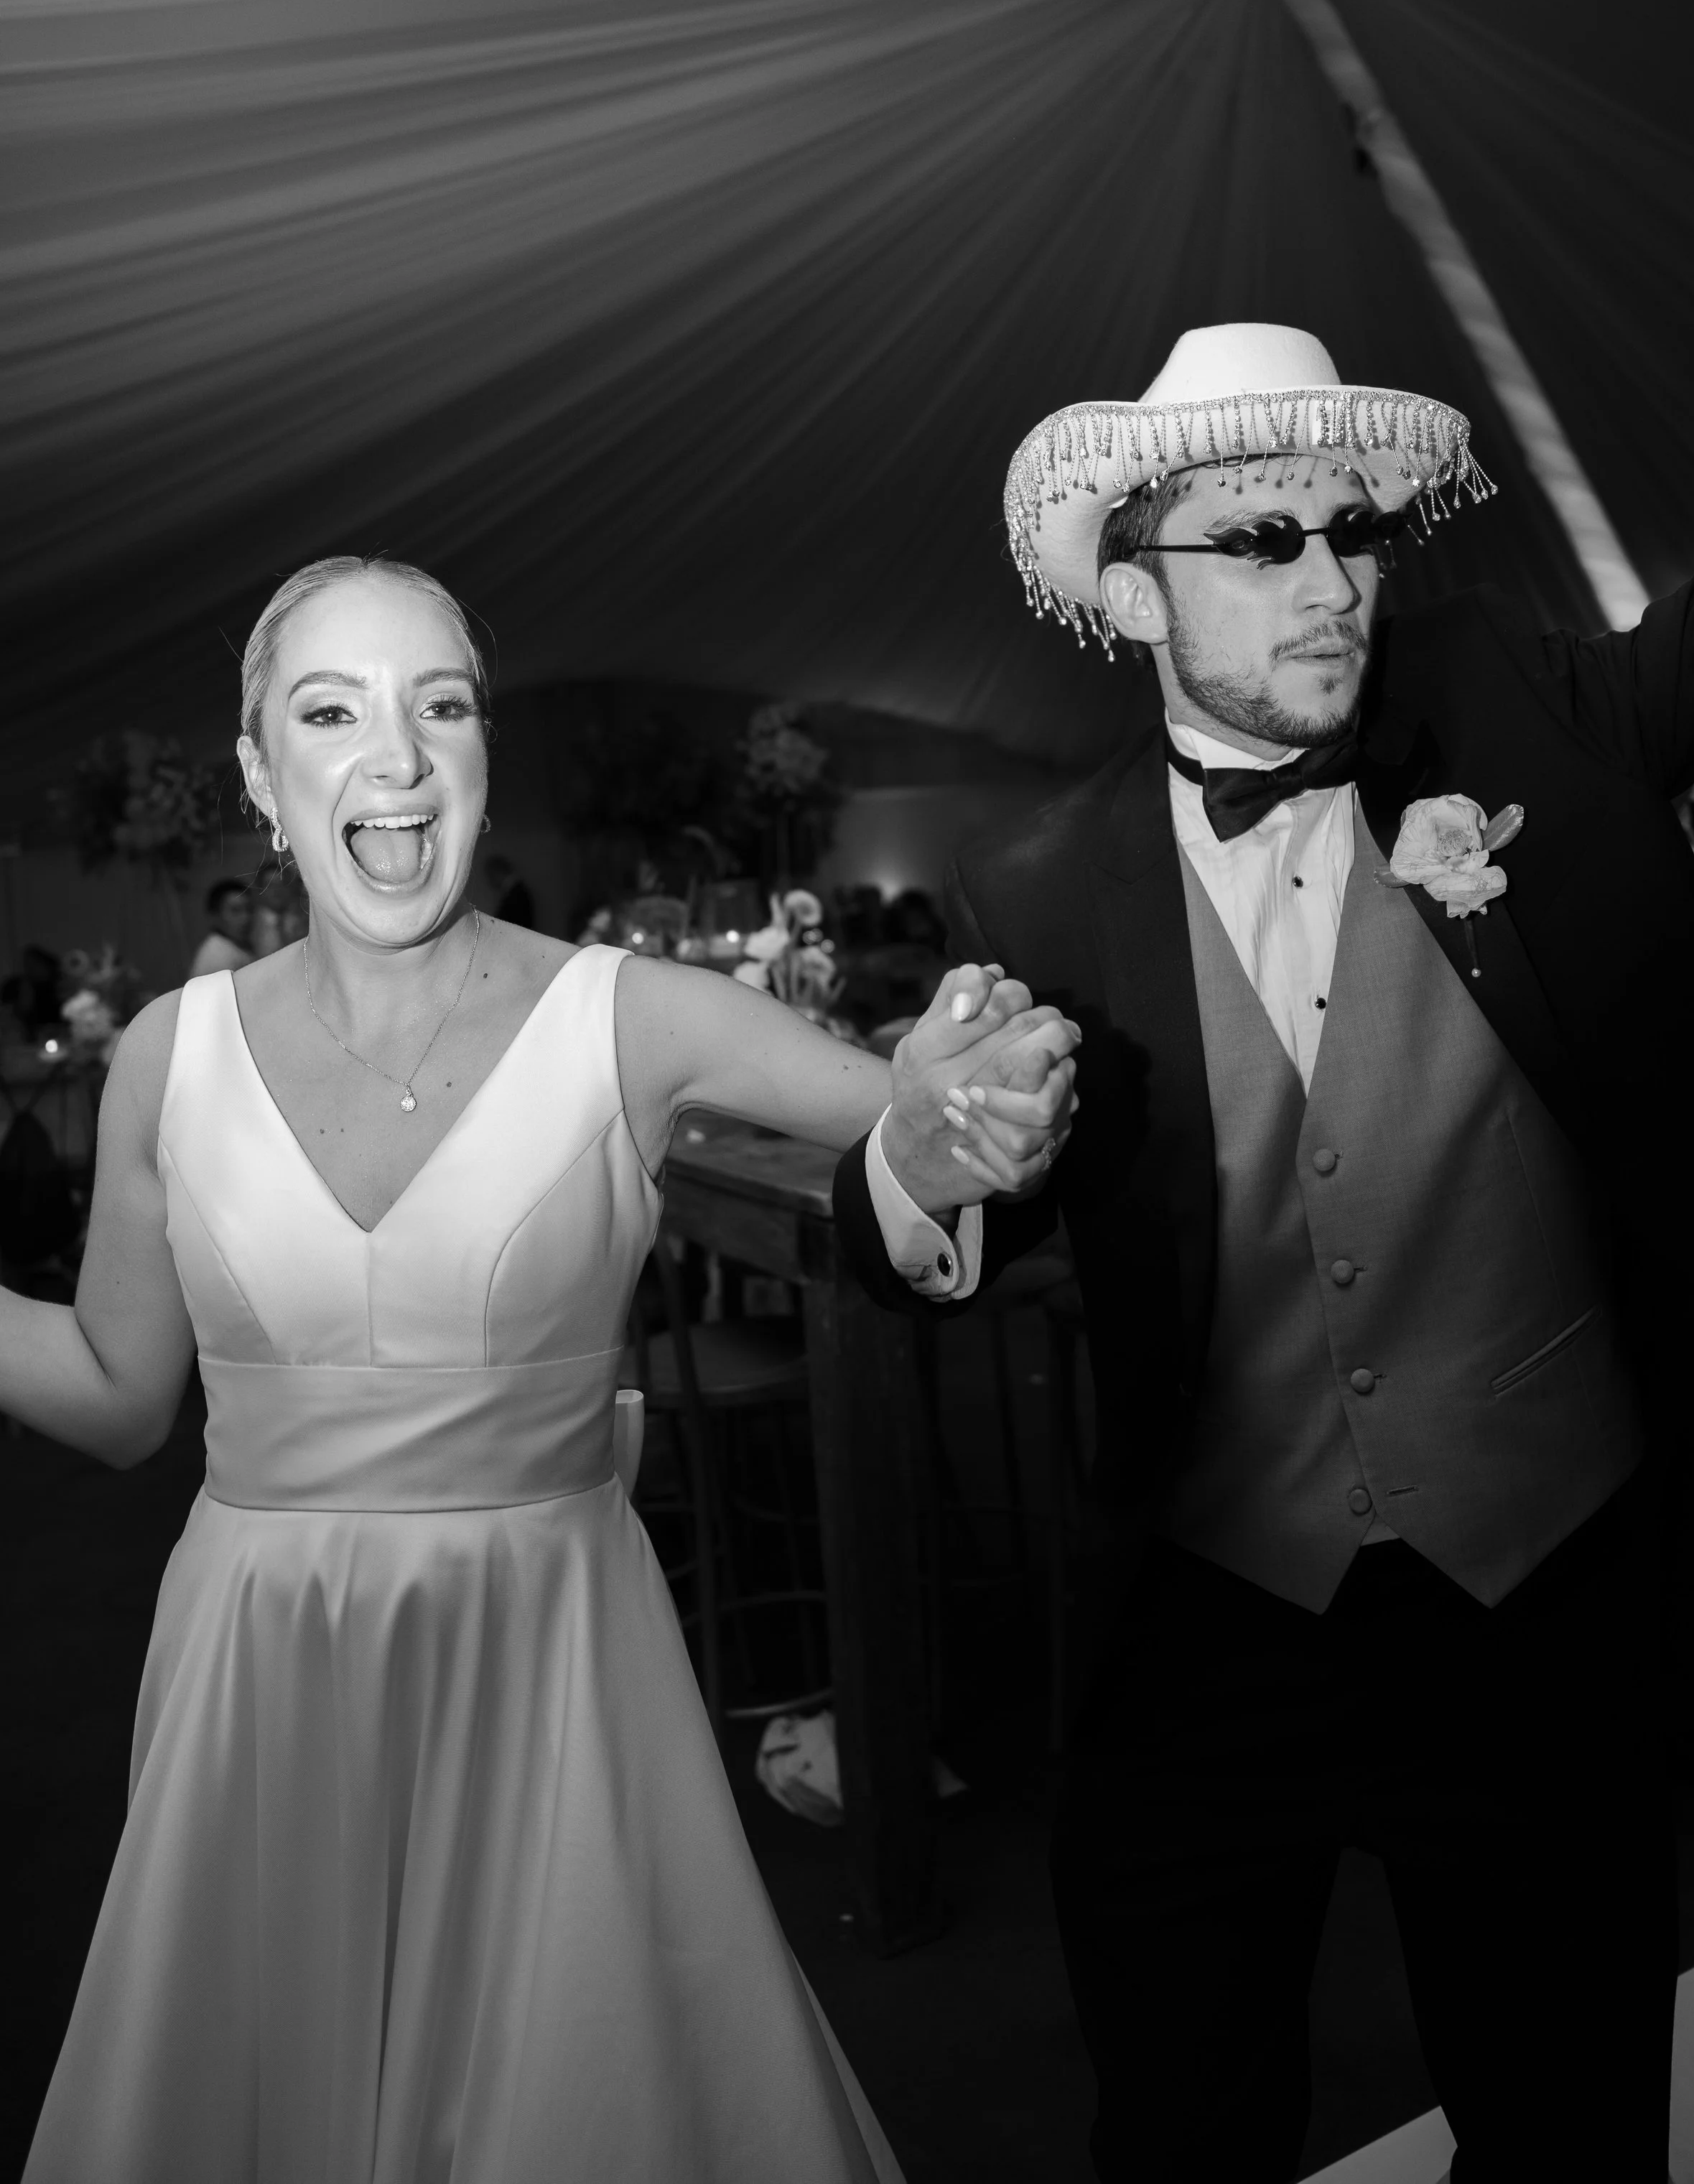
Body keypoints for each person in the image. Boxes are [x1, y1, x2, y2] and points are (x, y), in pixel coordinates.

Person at [834, 322, 1694, 2181]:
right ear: (1131, 589)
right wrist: (912, 1156)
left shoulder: (1512, 703)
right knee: (1185, 2127)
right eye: (1255, 541)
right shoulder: (1038, 881)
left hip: (1539, 1597)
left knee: (1572, 2127)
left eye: (1349, 533)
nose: (1330, 581)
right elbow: (924, 1225)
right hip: (1210, 1624)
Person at [2, 552, 1074, 2184]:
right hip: (258, 1670)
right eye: (333, 707)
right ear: (256, 772)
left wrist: (958, 1090)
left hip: (550, 1657)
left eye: (441, 703)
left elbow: (904, 1117)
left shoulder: (627, 1015)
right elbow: (117, 1389)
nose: (399, 751)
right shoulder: (168, 1054)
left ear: (481, 751)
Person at [186, 876, 256, 978]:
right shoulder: (218, 957)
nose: (246, 918)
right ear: (216, 916)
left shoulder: (233, 945)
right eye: (235, 911)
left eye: (249, 909)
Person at [483, 850, 536, 929]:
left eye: (491, 875)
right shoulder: (514, 892)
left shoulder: (517, 894)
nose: (490, 880)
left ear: (498, 872)